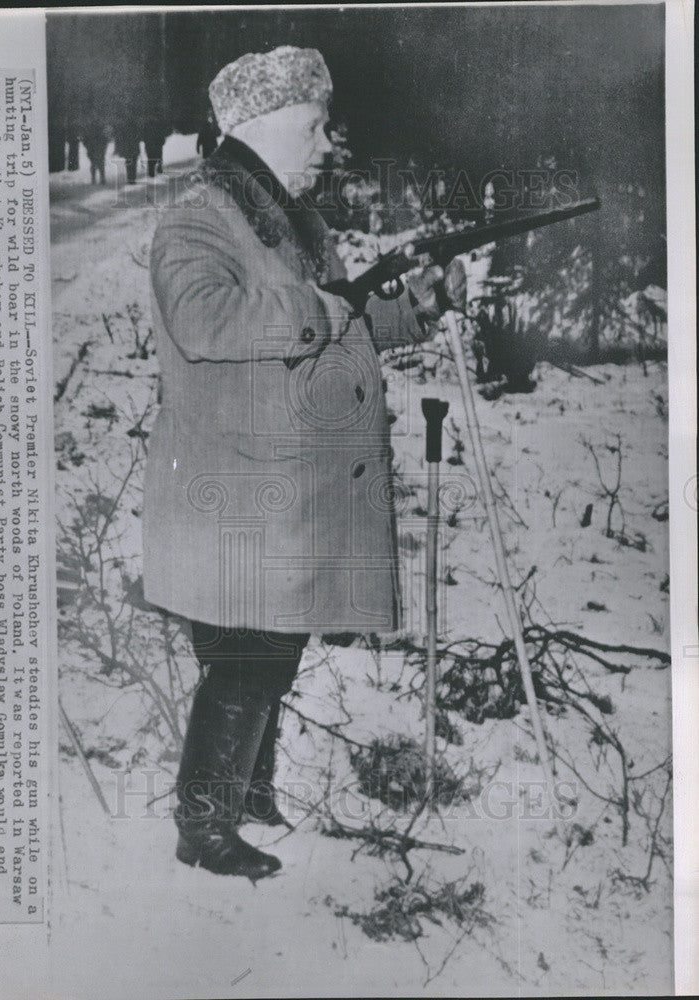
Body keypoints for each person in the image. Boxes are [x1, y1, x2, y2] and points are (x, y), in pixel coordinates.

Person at [143, 45, 465, 881]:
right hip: (233, 487)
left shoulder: (290, 222)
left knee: (270, 651)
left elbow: (337, 322)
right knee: (242, 660)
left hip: (275, 485)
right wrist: (318, 304)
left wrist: (414, 307)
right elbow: (206, 320)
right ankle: (202, 828)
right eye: (314, 124)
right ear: (260, 126)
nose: (329, 141)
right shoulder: (199, 218)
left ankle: (248, 794)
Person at [81, 120, 109, 184]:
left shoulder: (88, 129)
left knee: (94, 163)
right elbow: (105, 139)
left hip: (92, 148)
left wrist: (87, 146)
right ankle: (102, 178)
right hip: (98, 148)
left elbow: (84, 140)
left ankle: (94, 178)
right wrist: (104, 147)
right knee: (100, 163)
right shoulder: (101, 128)